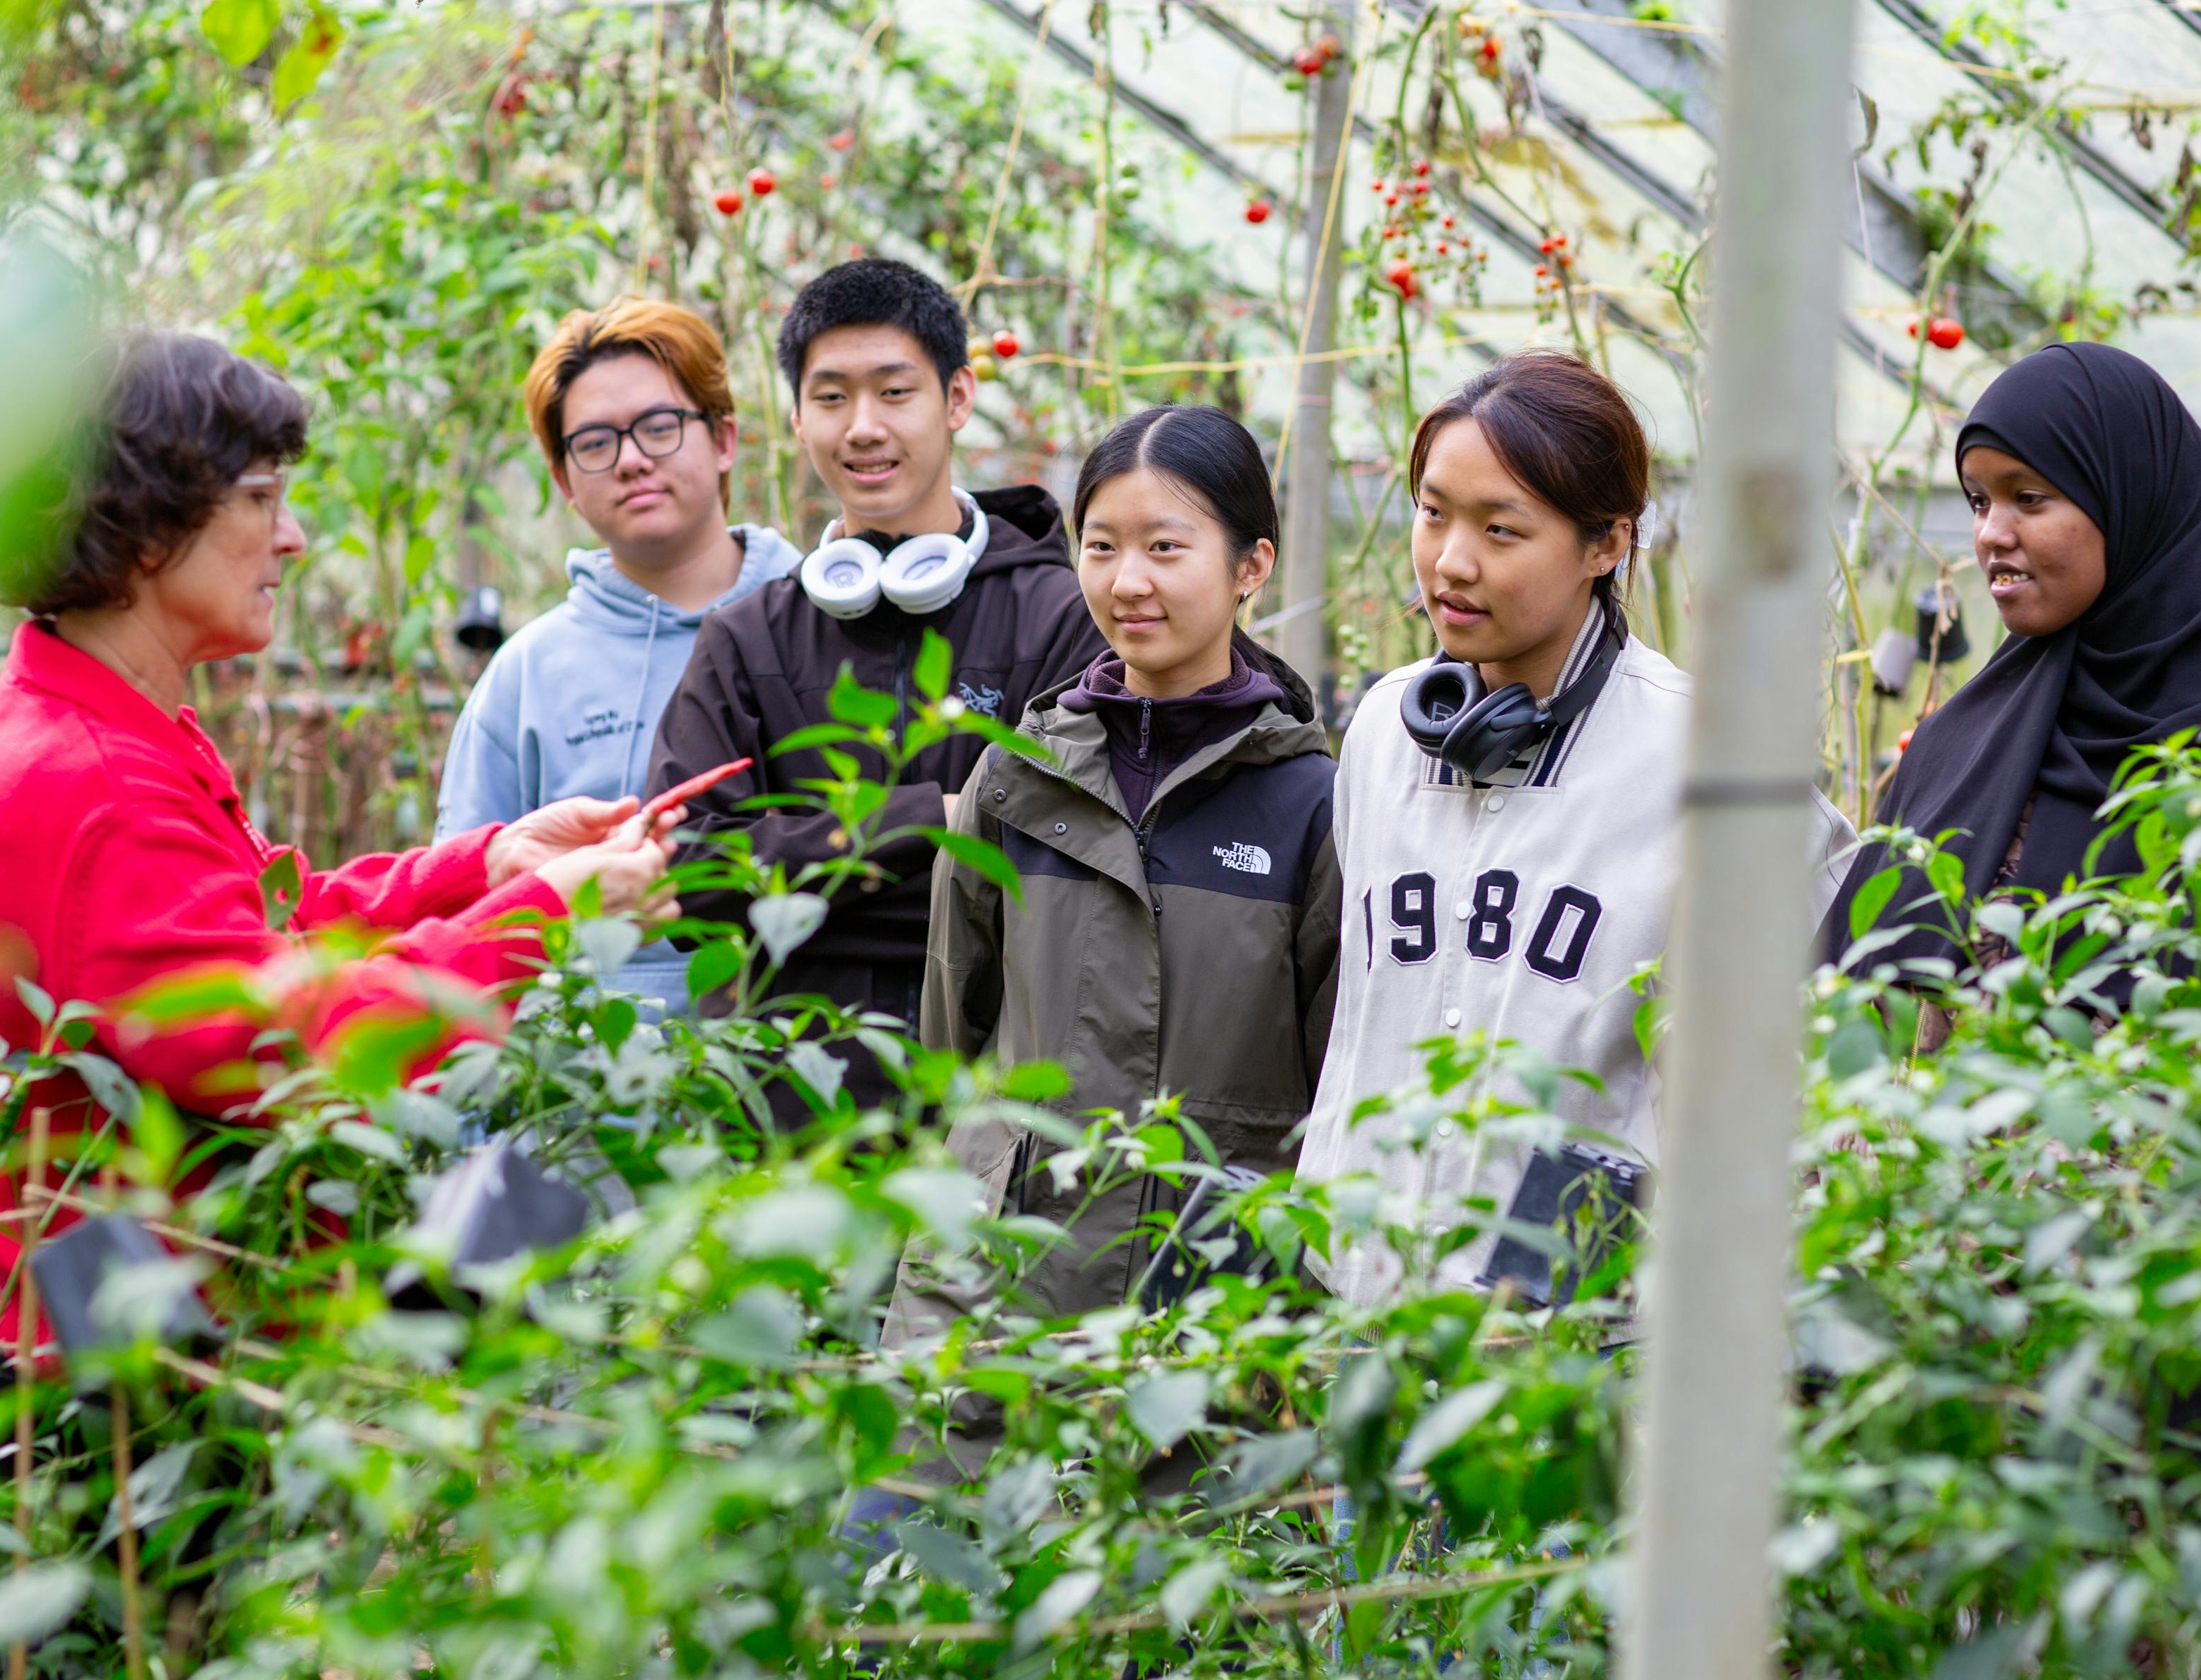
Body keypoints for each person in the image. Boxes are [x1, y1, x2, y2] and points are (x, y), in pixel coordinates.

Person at [0, 333, 682, 1346]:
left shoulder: (102, 716)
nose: (291, 537)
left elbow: (255, 925)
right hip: (89, 1371)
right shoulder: (95, 778)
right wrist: (547, 917)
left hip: (98, 1301)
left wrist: (484, 868)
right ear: (149, 526)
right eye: (259, 498)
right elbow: (288, 1041)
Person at [1296, 351, 1854, 1304]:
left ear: (1606, 545)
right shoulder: (1385, 732)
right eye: (1433, 514)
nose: (1451, 562)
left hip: (1572, 1343)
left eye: (1501, 529)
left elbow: (1832, 1034)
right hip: (1357, 1311)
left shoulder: (1709, 759)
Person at [894, 404, 1339, 1355]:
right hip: (996, 1290)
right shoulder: (1014, 779)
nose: (1127, 581)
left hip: (1213, 1305)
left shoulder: (1311, 805)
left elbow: (1334, 1077)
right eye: (1101, 546)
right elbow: (950, 1034)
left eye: (1165, 548)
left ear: (1251, 567)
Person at [645, 257, 1108, 1104]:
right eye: (831, 397)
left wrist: (800, 888)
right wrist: (930, 822)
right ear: (796, 417)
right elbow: (687, 870)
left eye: (895, 392)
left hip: (1000, 1131)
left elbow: (1060, 874)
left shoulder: (1062, 617)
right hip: (795, 1134)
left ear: (957, 399)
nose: (862, 427)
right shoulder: (747, 639)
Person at [1821, 341, 2201, 984]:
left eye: (2029, 497)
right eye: (1979, 501)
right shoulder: (1956, 747)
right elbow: (1843, 1012)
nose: (1990, 533)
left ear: (2131, 504)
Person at [435, 298, 802, 1013]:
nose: (631, 460)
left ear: (724, 439)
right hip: (584, 1104)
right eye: (596, 443)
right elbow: (465, 907)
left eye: (660, 428)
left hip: (807, 1090)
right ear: (565, 480)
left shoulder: (820, 627)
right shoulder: (529, 673)